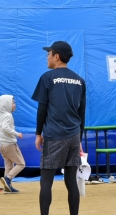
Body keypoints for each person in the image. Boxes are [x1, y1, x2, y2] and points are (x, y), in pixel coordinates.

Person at [32, 41, 86, 215]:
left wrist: (38, 133)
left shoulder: (47, 78)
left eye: (48, 54)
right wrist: (79, 138)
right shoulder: (79, 80)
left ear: (56, 56)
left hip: (54, 135)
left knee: (46, 181)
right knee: (71, 181)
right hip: (73, 135)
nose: (47, 57)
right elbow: (81, 113)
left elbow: (42, 108)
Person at [0, 94, 25, 192]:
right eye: (12, 103)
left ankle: (7, 187)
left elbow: (3, 127)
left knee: (9, 165)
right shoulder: (8, 115)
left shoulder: (0, 114)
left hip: (2, 144)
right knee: (21, 164)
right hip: (9, 144)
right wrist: (17, 134)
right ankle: (8, 179)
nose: (14, 104)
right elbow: (5, 128)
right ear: (6, 104)